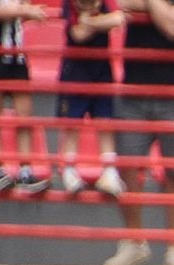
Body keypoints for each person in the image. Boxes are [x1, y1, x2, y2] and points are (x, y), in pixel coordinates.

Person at [100, 0, 174, 265]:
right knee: (128, 168)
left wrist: (148, 4)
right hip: (134, 90)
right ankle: (135, 242)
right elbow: (121, 3)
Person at [55, 0, 127, 197]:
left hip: (102, 71)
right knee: (72, 123)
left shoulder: (107, 2)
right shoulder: (69, 3)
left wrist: (90, 20)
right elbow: (78, 34)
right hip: (75, 72)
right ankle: (69, 172)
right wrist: (100, 21)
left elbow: (118, 18)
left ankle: (109, 172)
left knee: (105, 121)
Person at [0, 0, 49, 195]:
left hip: (17, 54)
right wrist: (24, 10)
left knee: (24, 113)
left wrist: (28, 13)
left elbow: (21, 13)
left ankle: (25, 170)